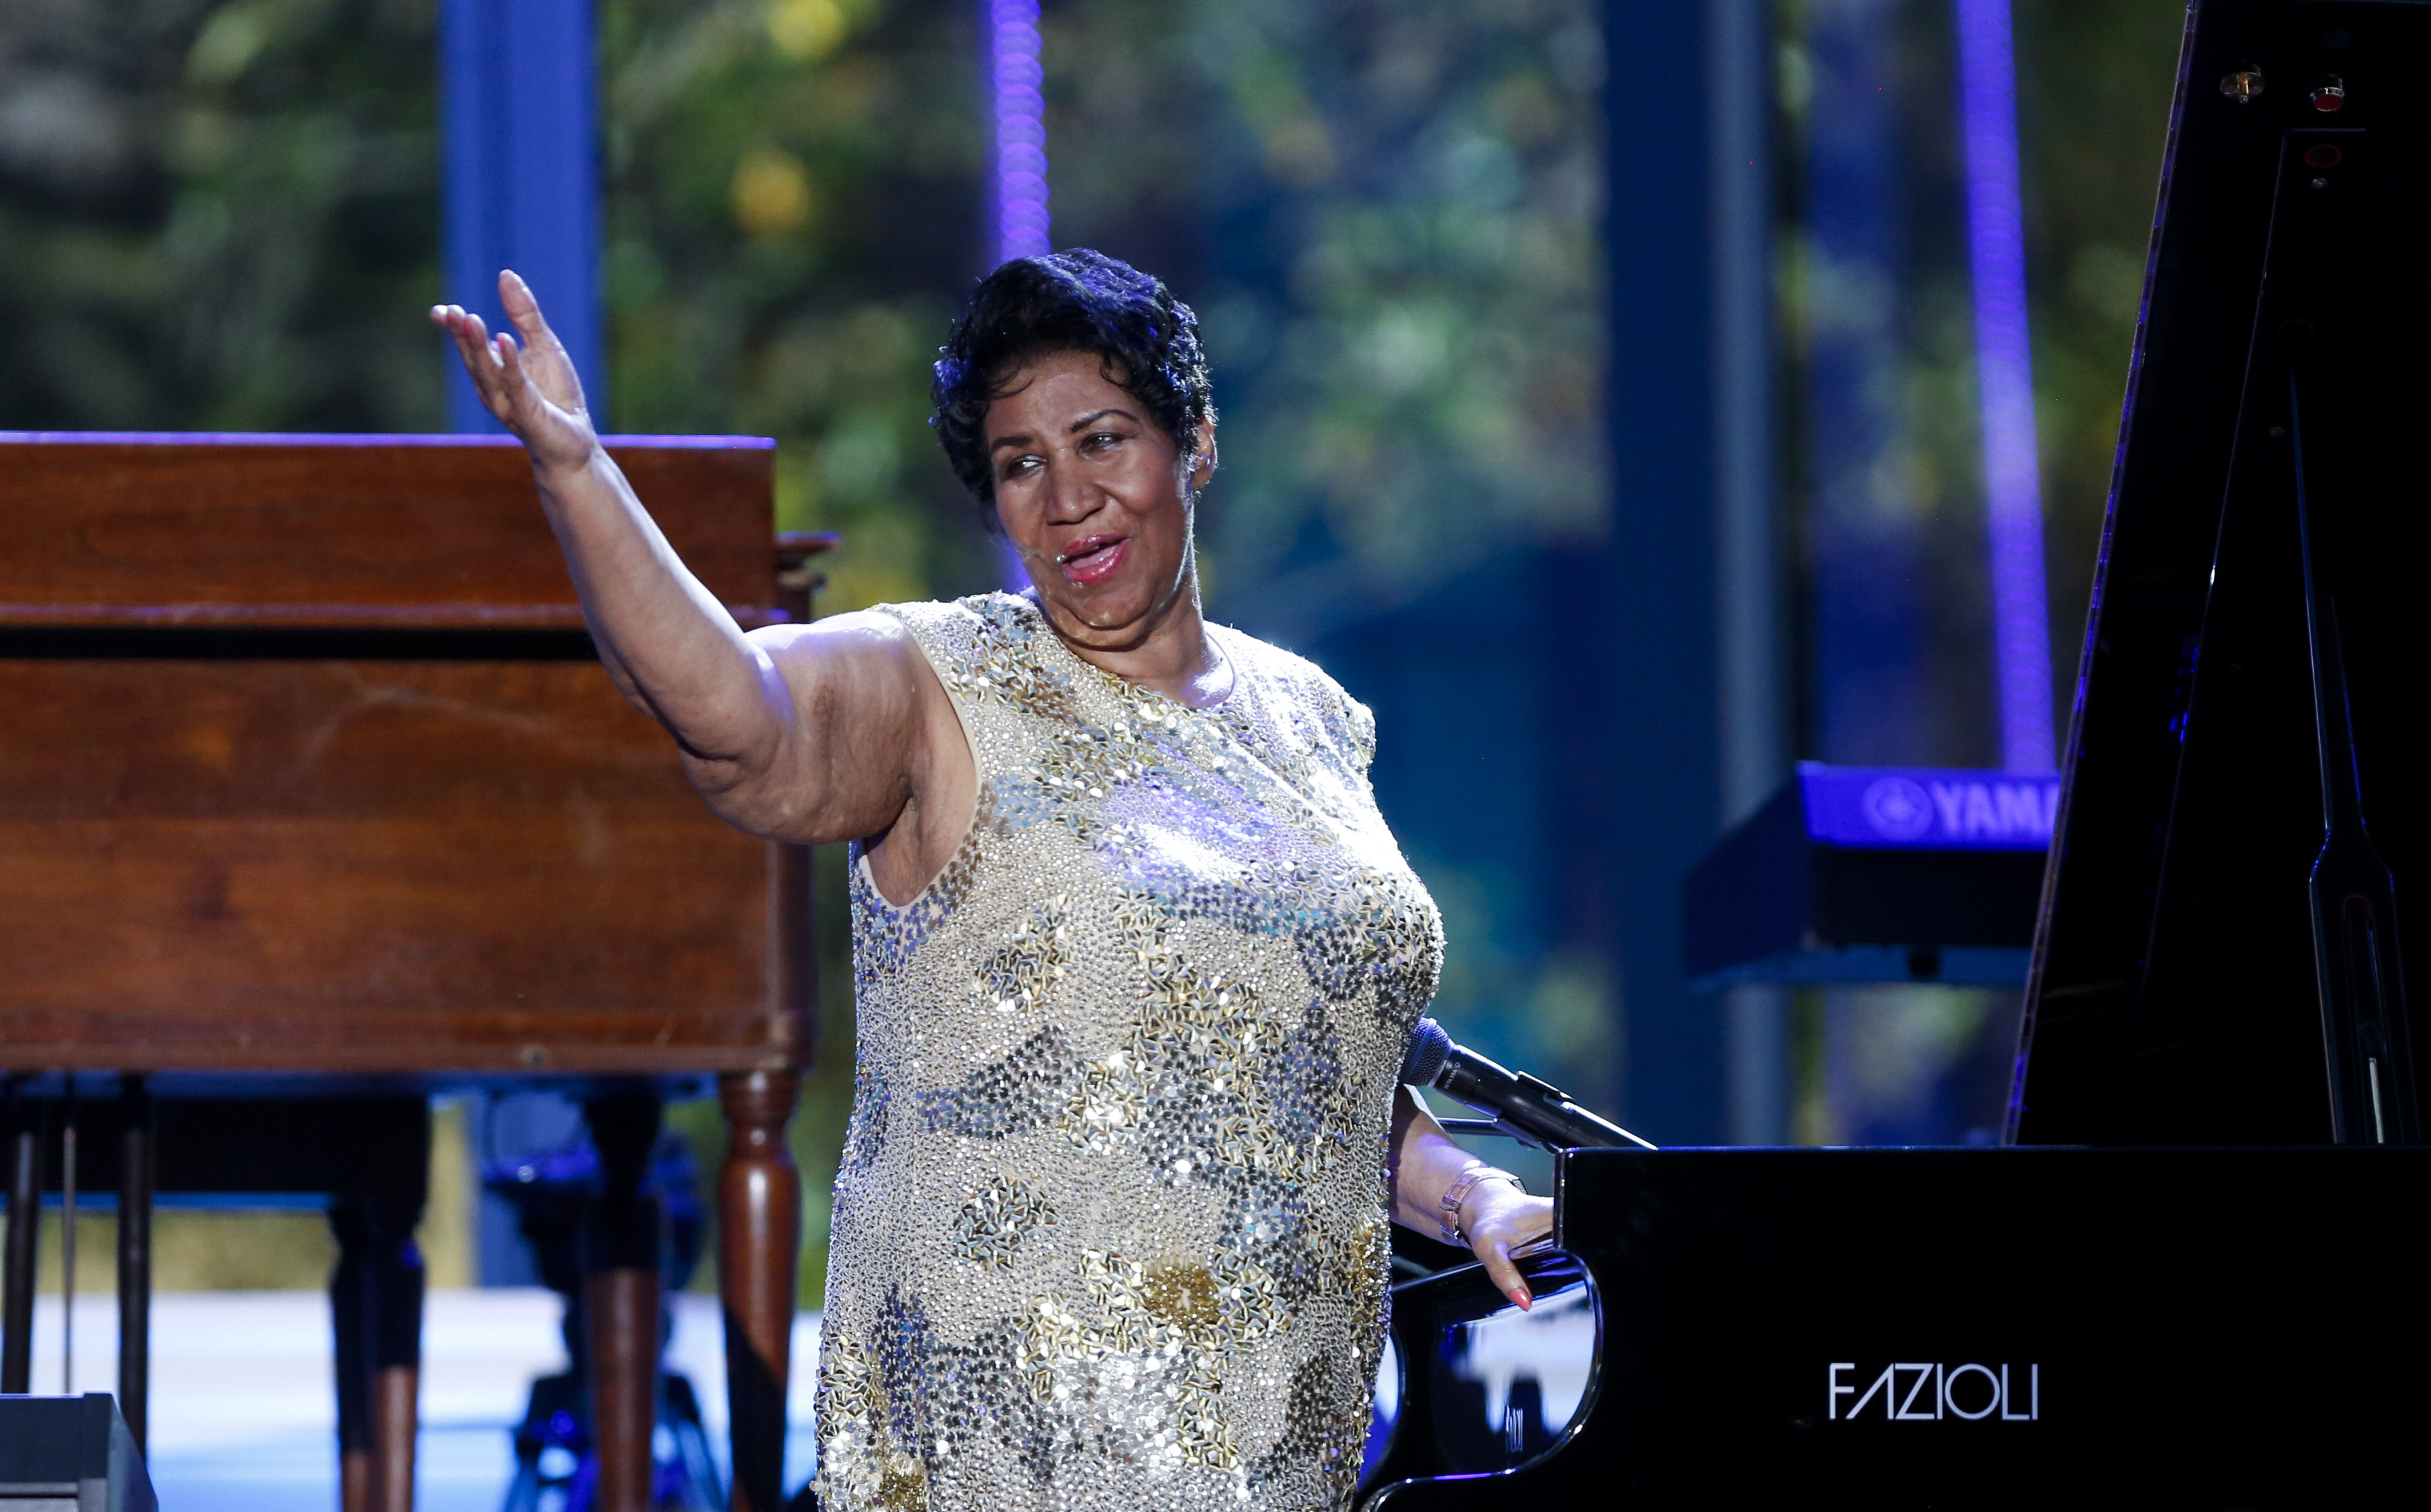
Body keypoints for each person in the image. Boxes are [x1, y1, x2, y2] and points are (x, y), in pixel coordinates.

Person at [433, 248, 1554, 1512]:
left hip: (1283, 1457)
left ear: (1197, 444)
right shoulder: (937, 685)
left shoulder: (1308, 719)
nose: (1069, 496)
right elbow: (730, 711)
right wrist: (576, 471)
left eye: (1104, 440)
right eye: (1023, 463)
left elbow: (1312, 1077)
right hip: (1012, 1454)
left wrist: (1474, 1198)